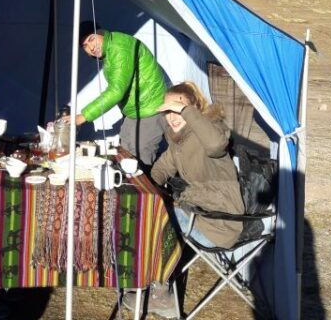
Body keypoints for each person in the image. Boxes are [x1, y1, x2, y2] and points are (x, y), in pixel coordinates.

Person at [133, 81, 245, 318]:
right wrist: (142, 187)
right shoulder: (179, 140)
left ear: (193, 109)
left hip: (220, 222)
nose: (172, 117)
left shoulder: (210, 131)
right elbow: (161, 169)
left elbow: (216, 145)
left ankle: (161, 296)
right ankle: (148, 281)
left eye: (178, 110)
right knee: (148, 212)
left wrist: (186, 111)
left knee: (159, 221)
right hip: (200, 213)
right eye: (168, 111)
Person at [70, 21, 167, 166]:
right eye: (85, 46)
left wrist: (83, 116)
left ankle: (147, 181)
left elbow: (116, 90)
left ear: (101, 33)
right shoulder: (110, 49)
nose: (91, 47)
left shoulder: (119, 48)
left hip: (150, 108)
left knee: (140, 159)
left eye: (91, 39)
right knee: (125, 153)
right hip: (135, 110)